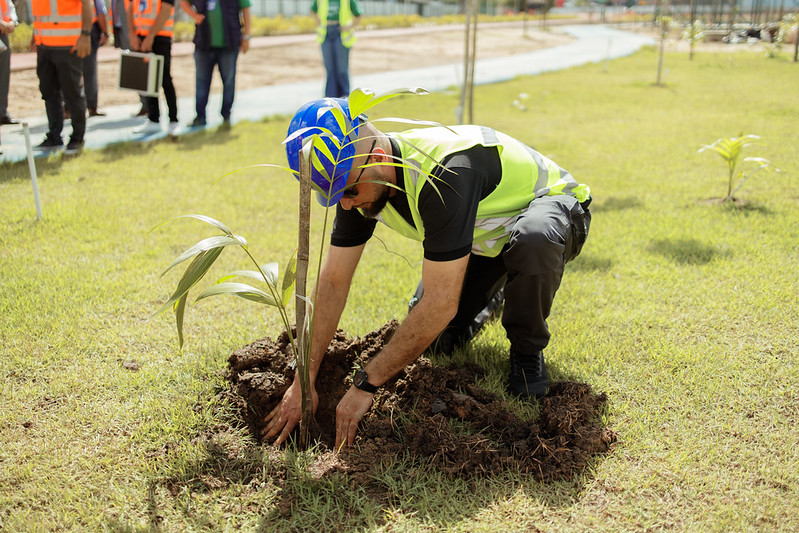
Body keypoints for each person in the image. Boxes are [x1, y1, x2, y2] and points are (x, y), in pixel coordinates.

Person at [266, 97, 592, 450]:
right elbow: (332, 280)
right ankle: (495, 294)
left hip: (551, 211)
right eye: (332, 195)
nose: (344, 203)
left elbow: (439, 303)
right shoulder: (354, 181)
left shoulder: (443, 175)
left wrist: (366, 384)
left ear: (377, 159)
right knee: (436, 340)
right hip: (483, 241)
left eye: (347, 191)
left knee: (532, 242)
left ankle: (527, 351)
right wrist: (304, 378)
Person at [31, 0, 93, 154]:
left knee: (72, 93)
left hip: (68, 45)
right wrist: (35, 35)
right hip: (44, 45)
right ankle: (54, 136)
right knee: (49, 93)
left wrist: (85, 35)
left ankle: (77, 137)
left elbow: (87, 3)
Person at [179, 0, 251, 128]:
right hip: (203, 44)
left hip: (229, 44)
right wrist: (194, 15)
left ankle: (226, 116)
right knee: (201, 81)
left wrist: (246, 36)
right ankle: (200, 116)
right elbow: (183, 2)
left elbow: (245, 8)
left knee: (229, 80)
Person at [128, 0, 179, 135]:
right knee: (148, 79)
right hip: (141, 36)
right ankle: (153, 119)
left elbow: (166, 9)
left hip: (160, 37)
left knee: (164, 79)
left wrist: (151, 36)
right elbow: (131, 7)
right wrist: (132, 33)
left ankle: (173, 120)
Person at [311, 0, 361, 98]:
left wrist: (349, 27)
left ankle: (344, 96)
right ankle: (330, 97)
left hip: (341, 35)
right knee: (330, 68)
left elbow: (358, 15)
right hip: (326, 35)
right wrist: (318, 21)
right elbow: (313, 10)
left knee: (342, 68)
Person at [84, 0, 110, 117]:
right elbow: (100, 11)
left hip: (69, 32)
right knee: (90, 71)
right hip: (88, 31)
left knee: (68, 72)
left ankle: (68, 109)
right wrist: (105, 32)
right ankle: (92, 106)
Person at [0, 0, 19, 125]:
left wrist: (12, 21)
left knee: (3, 75)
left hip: (2, 35)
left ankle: (2, 113)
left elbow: (9, 7)